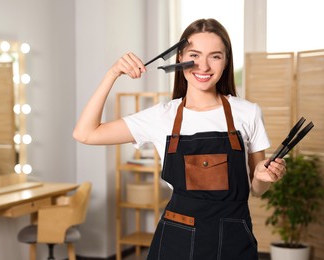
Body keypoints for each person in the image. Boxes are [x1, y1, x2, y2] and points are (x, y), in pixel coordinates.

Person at [73, 18, 286, 260]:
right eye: (194, 55)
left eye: (215, 56)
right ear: (179, 59)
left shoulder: (248, 113)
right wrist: (112, 73)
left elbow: (257, 190)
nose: (203, 66)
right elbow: (85, 133)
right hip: (176, 240)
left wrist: (261, 176)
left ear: (226, 62)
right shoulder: (162, 116)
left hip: (233, 241)